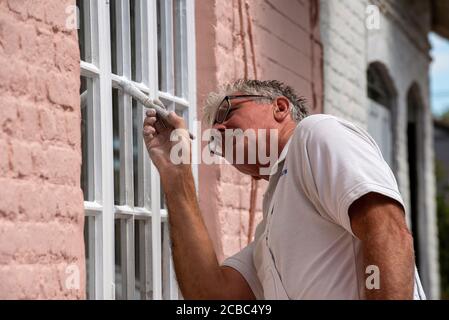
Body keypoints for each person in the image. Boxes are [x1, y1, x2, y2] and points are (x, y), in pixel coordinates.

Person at [142, 79, 426, 299]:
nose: (220, 128)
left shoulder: (314, 134)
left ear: (280, 107)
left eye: (228, 111)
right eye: (214, 139)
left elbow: (387, 231)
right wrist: (176, 176)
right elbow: (212, 294)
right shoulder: (267, 238)